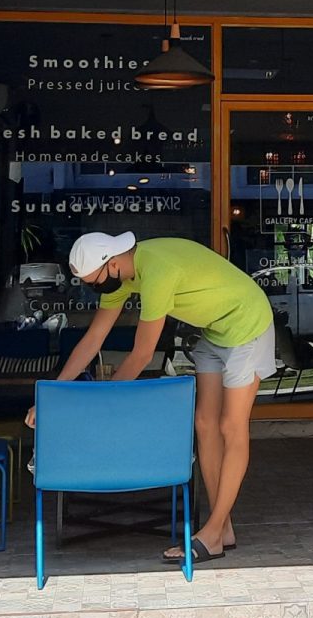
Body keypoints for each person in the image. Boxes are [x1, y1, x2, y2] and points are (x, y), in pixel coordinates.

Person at [31, 230, 276, 564]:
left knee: (230, 426)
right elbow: (93, 339)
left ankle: (213, 531)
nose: (95, 289)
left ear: (112, 264)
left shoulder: (157, 270)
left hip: (248, 325)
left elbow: (142, 354)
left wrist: (103, 401)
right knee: (204, 423)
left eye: (95, 282)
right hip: (215, 332)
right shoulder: (121, 279)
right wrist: (55, 394)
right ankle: (222, 529)